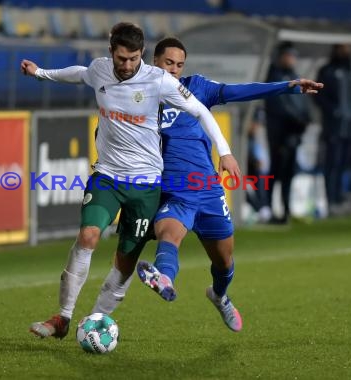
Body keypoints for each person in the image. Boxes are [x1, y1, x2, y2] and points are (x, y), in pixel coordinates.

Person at [20, 22, 240, 339]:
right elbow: (78, 73)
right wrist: (41, 73)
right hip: (107, 176)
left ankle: (95, 320)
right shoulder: (100, 70)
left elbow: (201, 112)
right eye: (122, 59)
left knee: (125, 260)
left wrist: (226, 152)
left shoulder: (159, 80)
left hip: (146, 185)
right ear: (112, 53)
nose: (127, 65)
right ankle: (62, 318)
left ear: (142, 55)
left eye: (134, 58)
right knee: (88, 236)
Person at [135, 37, 323, 332]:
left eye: (179, 65)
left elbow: (238, 91)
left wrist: (286, 86)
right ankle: (164, 277)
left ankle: (219, 295)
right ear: (154, 61)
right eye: (168, 63)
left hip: (207, 189)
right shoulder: (139, 94)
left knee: (224, 261)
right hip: (174, 189)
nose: (173, 70)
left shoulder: (194, 88)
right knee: (168, 235)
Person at [265, 41, 312, 224]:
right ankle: (269, 209)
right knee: (275, 172)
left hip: (293, 133)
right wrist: (298, 120)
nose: (291, 59)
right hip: (279, 133)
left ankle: (286, 209)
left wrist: (305, 119)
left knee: (288, 173)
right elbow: (280, 106)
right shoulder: (274, 77)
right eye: (288, 55)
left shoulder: (295, 77)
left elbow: (303, 103)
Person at [315, 44, 351, 216]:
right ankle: (332, 201)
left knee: (345, 165)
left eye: (348, 47)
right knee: (333, 165)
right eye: (343, 48)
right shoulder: (328, 71)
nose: (347, 51)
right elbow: (319, 96)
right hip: (334, 127)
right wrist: (334, 112)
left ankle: (341, 199)